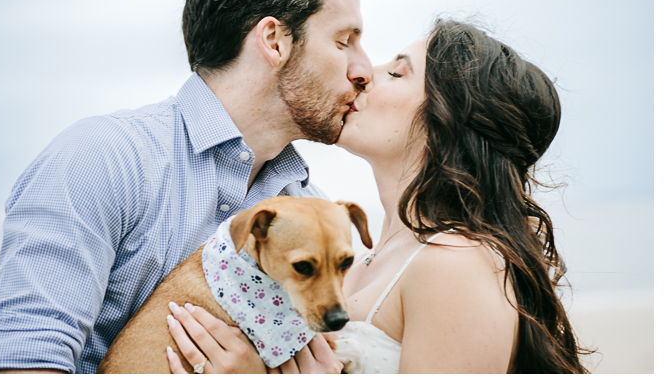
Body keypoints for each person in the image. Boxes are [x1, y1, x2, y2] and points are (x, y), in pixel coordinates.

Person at [0, 0, 371, 374]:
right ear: (274, 40)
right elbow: (23, 366)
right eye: (344, 42)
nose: (365, 69)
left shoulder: (309, 204)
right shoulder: (99, 159)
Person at [165, 20, 590, 374]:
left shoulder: (453, 263)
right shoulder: (351, 260)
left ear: (446, 121)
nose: (364, 73)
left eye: (396, 72)